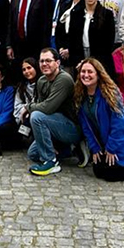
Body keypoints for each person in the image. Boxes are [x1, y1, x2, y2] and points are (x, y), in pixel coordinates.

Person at [74, 58, 124, 181]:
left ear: (98, 74)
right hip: (104, 142)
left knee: (111, 175)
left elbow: (120, 124)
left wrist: (111, 148)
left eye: (90, 72)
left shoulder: (110, 93)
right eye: (83, 71)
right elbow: (86, 126)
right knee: (99, 171)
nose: (86, 75)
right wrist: (94, 147)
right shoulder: (81, 95)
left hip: (121, 140)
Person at [24, 48, 80, 176]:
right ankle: (68, 149)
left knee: (36, 116)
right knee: (32, 153)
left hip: (71, 127)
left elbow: (47, 108)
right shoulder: (41, 81)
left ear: (57, 63)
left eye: (48, 60)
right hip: (54, 126)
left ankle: (50, 161)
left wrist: (28, 107)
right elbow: (41, 106)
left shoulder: (64, 79)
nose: (44, 64)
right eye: (42, 61)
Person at [6, 0, 55, 74]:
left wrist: (45, 48)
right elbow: (11, 21)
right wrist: (9, 45)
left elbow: (47, 22)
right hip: (18, 45)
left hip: (37, 45)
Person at [59, 0, 115, 77]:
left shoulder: (107, 14)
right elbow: (73, 39)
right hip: (79, 58)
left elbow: (108, 42)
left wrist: (93, 63)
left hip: (100, 59)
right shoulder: (75, 13)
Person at [13, 58, 39, 143]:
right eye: (24, 69)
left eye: (29, 68)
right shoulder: (21, 87)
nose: (26, 71)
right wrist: (25, 111)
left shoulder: (42, 84)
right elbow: (17, 106)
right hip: (23, 117)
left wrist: (30, 110)